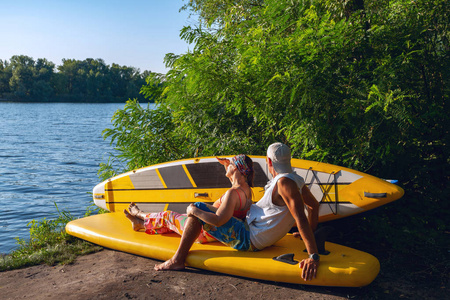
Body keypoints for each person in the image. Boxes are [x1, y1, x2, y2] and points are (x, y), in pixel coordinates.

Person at [154, 142, 320, 282]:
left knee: (198, 207)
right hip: (254, 234)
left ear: (269, 161)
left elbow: (300, 217)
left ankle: (177, 260)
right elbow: (313, 206)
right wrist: (310, 232)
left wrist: (313, 256)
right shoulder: (296, 180)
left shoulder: (284, 183)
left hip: (247, 238)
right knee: (210, 209)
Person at [123, 154, 254, 244]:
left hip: (204, 233)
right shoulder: (246, 190)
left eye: (230, 164)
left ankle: (139, 214)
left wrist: (194, 210)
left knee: (169, 216)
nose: (227, 165)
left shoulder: (233, 193)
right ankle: (140, 224)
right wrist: (228, 165)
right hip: (212, 233)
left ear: (235, 167)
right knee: (180, 217)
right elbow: (234, 184)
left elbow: (218, 220)